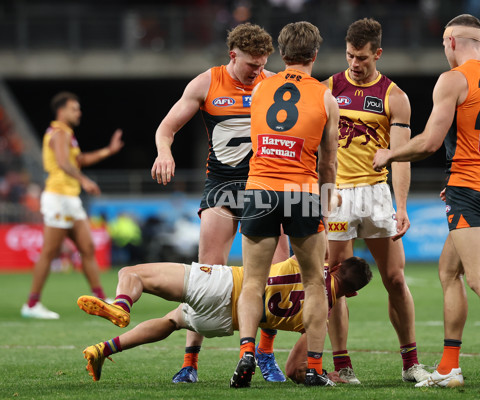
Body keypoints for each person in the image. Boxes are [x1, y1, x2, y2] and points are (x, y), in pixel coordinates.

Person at [373, 14, 480, 392]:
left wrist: (391, 155)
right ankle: (449, 366)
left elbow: (431, 142)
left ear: (451, 42)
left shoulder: (453, 79)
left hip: (469, 187)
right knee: (449, 271)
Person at [150, 22, 289, 383]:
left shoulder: (274, 84)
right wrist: (164, 152)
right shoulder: (206, 83)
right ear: (233, 55)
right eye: (250, 65)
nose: (257, 71)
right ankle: (190, 362)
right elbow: (166, 129)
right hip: (222, 186)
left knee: (277, 277)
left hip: (265, 186)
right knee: (206, 276)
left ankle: (265, 356)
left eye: (262, 64)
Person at [231, 21, 339, 388]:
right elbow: (328, 162)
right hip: (303, 192)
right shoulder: (326, 97)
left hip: (260, 189)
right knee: (314, 282)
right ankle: (312, 367)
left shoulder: (260, 88)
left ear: (281, 52)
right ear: (315, 54)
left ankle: (247, 352)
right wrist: (325, 200)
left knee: (252, 283)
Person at [319, 18, 428, 384]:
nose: (354, 63)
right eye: (350, 55)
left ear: (377, 54)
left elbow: (400, 157)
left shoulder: (394, 96)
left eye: (362, 57)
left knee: (395, 279)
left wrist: (402, 207)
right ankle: (343, 366)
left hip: (376, 194)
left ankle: (410, 363)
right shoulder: (328, 88)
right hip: (336, 195)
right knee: (334, 281)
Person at [77, 256, 373, 382]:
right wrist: (324, 374)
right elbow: (296, 369)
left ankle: (121, 306)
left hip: (224, 284)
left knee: (131, 273)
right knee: (172, 321)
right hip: (223, 324)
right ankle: (102, 350)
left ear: (333, 265)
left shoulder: (310, 261)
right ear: (352, 295)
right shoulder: (320, 319)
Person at [21, 91, 124, 320]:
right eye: (74, 108)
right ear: (62, 111)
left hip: (69, 198)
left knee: (87, 247)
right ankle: (31, 304)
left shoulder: (67, 135)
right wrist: (85, 181)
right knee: (50, 252)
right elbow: (63, 163)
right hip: (58, 196)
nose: (79, 112)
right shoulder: (59, 133)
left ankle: (100, 297)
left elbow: (79, 161)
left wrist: (109, 150)